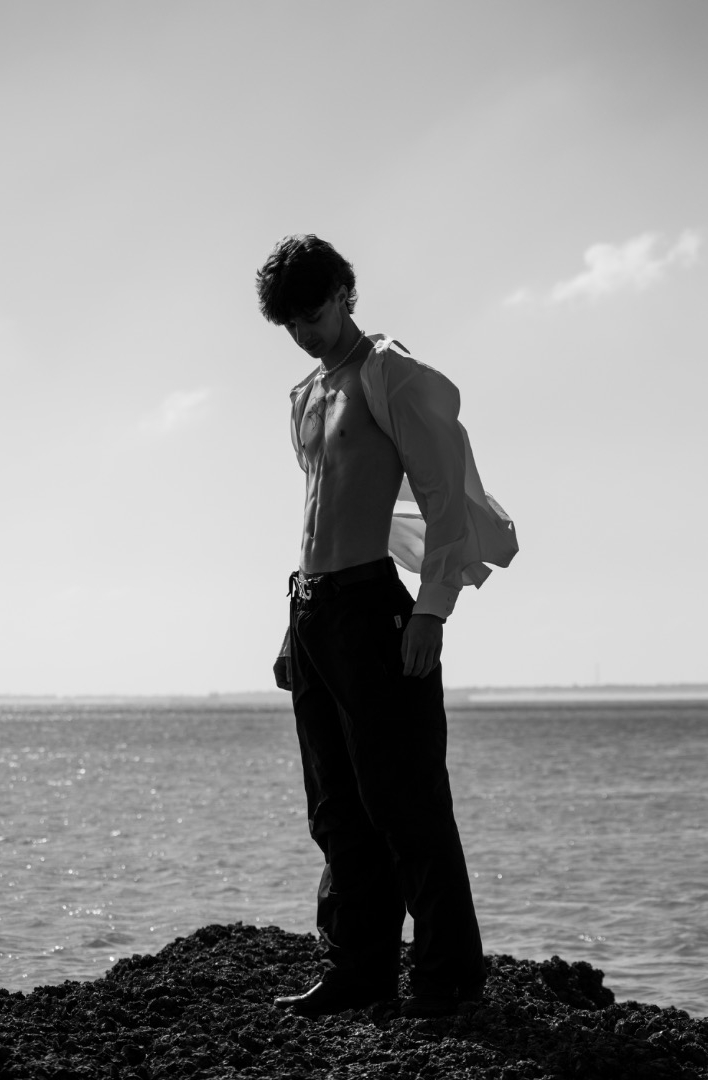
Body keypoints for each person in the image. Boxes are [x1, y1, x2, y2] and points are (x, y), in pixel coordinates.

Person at [255, 235, 518, 1019]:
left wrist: (433, 608)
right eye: (289, 322)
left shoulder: (389, 373)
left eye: (313, 313)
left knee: (407, 803)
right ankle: (359, 968)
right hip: (313, 609)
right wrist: (293, 631)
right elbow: (315, 516)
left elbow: (443, 494)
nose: (304, 332)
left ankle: (447, 980)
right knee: (335, 806)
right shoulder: (305, 395)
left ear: (345, 293)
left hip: (374, 605)